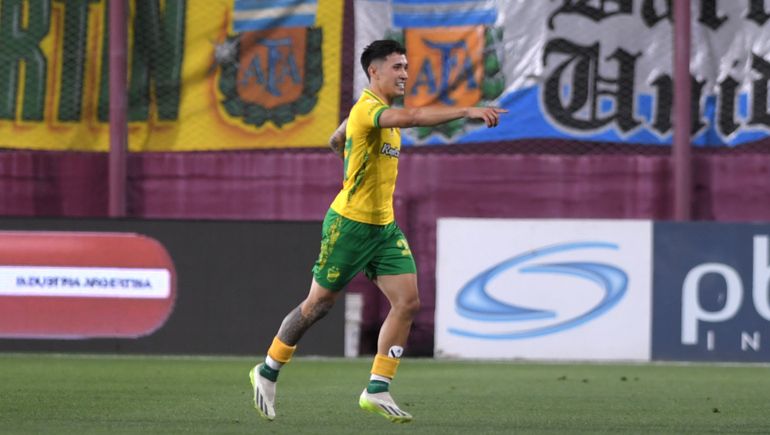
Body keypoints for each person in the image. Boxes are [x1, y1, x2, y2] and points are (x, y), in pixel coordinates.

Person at [249, 39, 507, 423]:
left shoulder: (374, 114)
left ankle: (377, 388)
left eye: (406, 67)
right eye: (397, 67)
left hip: (383, 228)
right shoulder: (368, 109)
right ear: (374, 71)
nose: (405, 74)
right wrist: (467, 109)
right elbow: (413, 118)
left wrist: (354, 161)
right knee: (318, 305)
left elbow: (336, 140)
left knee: (408, 302)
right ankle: (268, 370)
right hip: (349, 226)